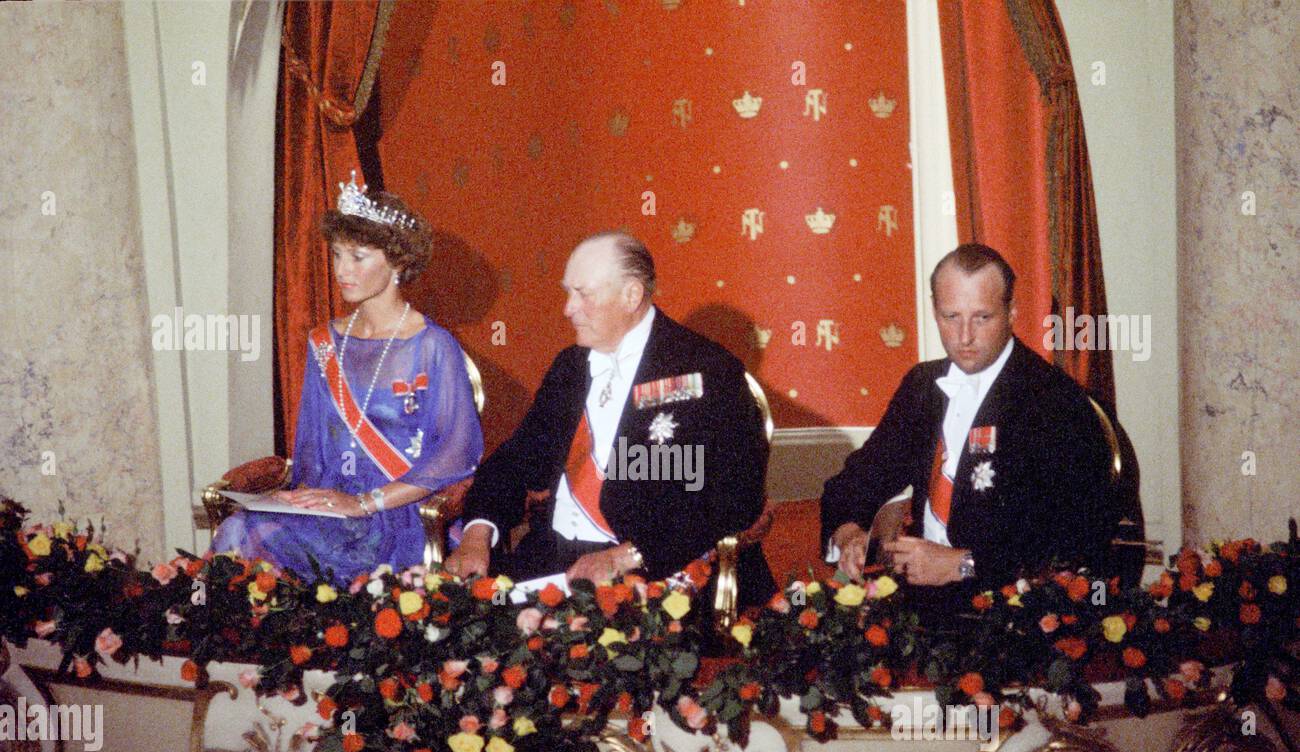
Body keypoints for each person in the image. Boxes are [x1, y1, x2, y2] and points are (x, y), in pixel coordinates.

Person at [445, 231, 775, 607]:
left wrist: (626, 556)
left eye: (583, 294)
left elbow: (734, 497)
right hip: (552, 565)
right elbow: (518, 459)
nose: (568, 309)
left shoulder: (707, 371)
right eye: (568, 292)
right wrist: (476, 536)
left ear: (631, 295)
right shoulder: (570, 367)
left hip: (654, 569)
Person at [210, 172, 483, 582]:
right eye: (337, 254)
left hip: (397, 514)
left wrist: (366, 502)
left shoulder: (432, 346)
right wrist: (300, 494)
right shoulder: (325, 343)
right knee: (240, 529)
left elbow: (457, 455)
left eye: (358, 256)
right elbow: (313, 451)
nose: (342, 269)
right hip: (335, 507)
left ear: (398, 262)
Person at [820, 243, 1117, 604]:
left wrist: (961, 564)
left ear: (1011, 312)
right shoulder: (922, 385)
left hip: (1010, 609)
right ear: (934, 310)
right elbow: (857, 481)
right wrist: (849, 531)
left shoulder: (1055, 402)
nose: (964, 337)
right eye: (951, 317)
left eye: (982, 318)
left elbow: (1074, 539)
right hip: (918, 602)